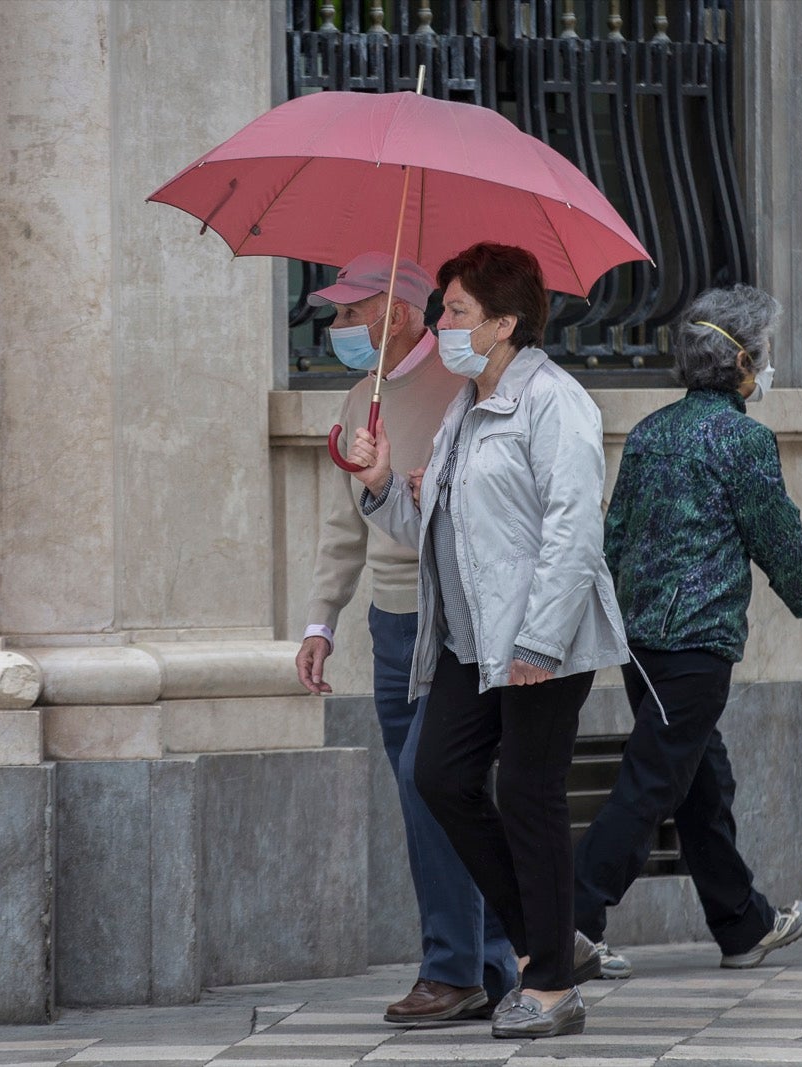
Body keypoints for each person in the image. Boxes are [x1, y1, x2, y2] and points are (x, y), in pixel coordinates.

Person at [346, 242, 630, 1040]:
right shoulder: (463, 408)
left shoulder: (556, 403)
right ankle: (555, 938)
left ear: (506, 322)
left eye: (457, 311)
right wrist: (378, 489)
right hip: (472, 646)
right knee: (438, 776)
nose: (442, 325)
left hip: (543, 644)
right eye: (442, 311)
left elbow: (575, 532)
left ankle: (550, 986)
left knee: (528, 798)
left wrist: (538, 642)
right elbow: (432, 528)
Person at [571, 283, 802, 976]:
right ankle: (568, 916)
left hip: (644, 644)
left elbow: (616, 532)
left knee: (701, 780)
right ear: (741, 360)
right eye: (766, 350)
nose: (769, 364)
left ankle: (741, 922)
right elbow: (773, 525)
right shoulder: (745, 439)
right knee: (653, 783)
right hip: (695, 646)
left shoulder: (652, 431)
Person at [294, 251, 517, 1024]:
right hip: (390, 623)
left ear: (390, 315)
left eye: (348, 315)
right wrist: (322, 619)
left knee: (433, 782)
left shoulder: (463, 388)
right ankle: (489, 961)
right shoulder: (363, 394)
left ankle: (455, 966)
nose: (337, 329)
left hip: (452, 620)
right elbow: (343, 522)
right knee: (433, 792)